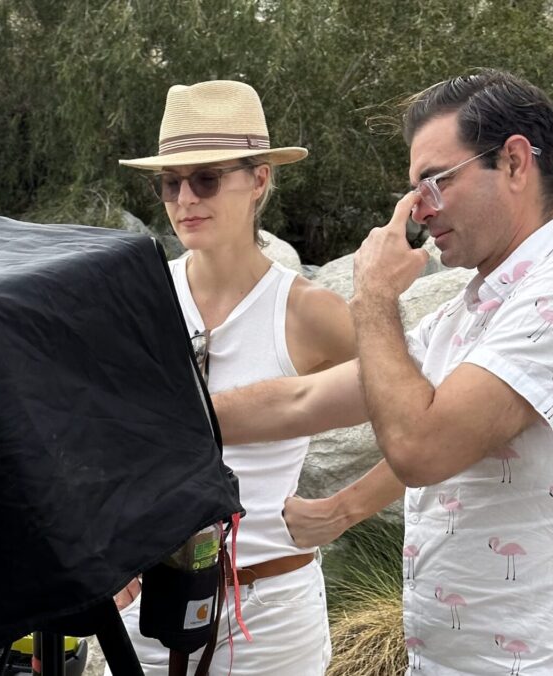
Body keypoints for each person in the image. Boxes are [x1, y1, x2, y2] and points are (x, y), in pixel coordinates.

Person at [213, 69, 553, 674]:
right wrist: (161, 416)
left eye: (434, 182)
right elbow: (301, 401)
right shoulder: (472, 312)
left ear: (515, 163)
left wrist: (374, 295)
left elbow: (420, 446)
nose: (417, 211)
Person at [110, 80, 356, 675]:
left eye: (207, 178)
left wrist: (346, 507)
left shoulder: (307, 312)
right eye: (171, 183)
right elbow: (97, 433)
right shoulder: (137, 297)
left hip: (270, 612)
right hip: (149, 607)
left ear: (261, 180)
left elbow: (416, 409)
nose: (185, 198)